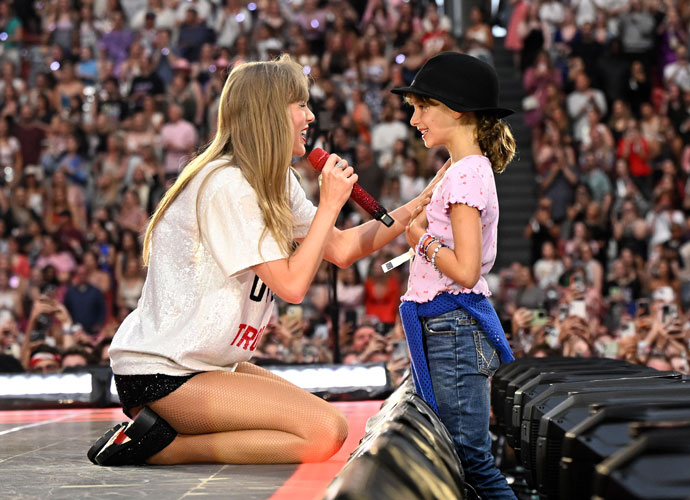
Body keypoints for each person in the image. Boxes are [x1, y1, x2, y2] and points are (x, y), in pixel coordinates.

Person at [87, 55, 438, 467]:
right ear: (269, 113)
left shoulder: (276, 179)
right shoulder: (228, 185)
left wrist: (423, 200)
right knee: (322, 432)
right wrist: (329, 205)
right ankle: (158, 445)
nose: (310, 116)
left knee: (332, 428)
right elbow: (291, 285)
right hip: (165, 373)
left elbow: (342, 250)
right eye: (300, 105)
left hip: (208, 365)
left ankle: (161, 434)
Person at [392, 52, 517, 499]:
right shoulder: (464, 169)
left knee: (470, 460)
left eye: (423, 107)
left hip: (455, 330)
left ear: (458, 109)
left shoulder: (465, 174)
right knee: (463, 458)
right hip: (451, 329)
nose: (414, 119)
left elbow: (464, 270)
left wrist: (419, 240)